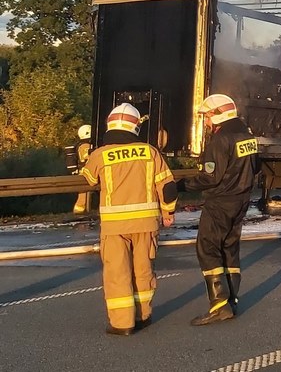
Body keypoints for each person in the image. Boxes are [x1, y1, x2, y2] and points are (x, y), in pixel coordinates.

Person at [79, 103, 177, 336]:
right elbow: (168, 187)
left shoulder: (100, 154)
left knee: (117, 273)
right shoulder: (150, 152)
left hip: (114, 226)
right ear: (135, 127)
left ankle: (122, 323)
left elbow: (88, 180)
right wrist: (168, 213)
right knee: (143, 270)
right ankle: (143, 315)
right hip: (146, 224)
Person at [178, 94, 259, 326]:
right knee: (229, 248)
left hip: (221, 202)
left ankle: (219, 306)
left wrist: (181, 186)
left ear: (218, 115)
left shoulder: (220, 139)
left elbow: (210, 177)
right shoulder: (248, 136)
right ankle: (232, 300)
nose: (206, 121)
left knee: (208, 248)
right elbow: (256, 167)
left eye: (207, 116)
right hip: (241, 201)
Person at [72, 124, 92, 214]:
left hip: (84, 171)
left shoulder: (80, 144)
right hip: (85, 172)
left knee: (84, 193)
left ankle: (82, 210)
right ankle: (79, 211)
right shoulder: (85, 145)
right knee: (83, 194)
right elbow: (88, 158)